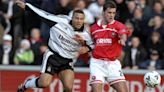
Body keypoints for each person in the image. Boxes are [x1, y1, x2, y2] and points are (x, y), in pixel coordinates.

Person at [15, 0, 93, 92]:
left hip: (67, 60)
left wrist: (87, 48)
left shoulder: (85, 34)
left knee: (68, 88)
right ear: (72, 18)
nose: (79, 21)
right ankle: (27, 84)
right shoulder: (59, 22)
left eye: (81, 19)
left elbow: (94, 45)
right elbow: (42, 14)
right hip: (53, 56)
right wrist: (27, 6)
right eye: (76, 18)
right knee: (44, 83)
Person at [89, 1, 129, 92]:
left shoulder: (118, 25)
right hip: (97, 63)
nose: (111, 15)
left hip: (113, 64)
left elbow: (123, 33)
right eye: (109, 12)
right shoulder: (93, 28)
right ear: (103, 12)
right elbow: (89, 44)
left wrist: (123, 39)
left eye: (113, 13)